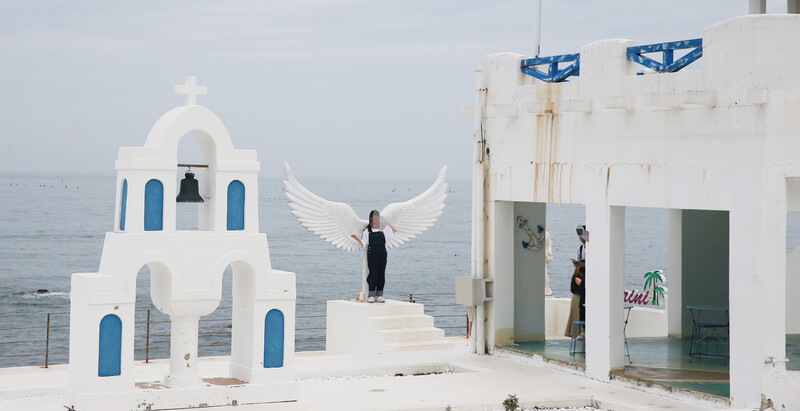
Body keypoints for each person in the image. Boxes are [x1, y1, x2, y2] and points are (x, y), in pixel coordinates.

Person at [351, 210, 397, 303]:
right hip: (372, 252)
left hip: (382, 252)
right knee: (373, 274)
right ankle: (371, 295)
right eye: (375, 217)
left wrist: (387, 222)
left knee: (381, 274)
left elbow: (394, 231)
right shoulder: (367, 230)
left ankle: (379, 295)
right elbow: (364, 244)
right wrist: (356, 238)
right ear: (371, 218)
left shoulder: (383, 228)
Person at [564, 224, 588, 337]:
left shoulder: (594, 247)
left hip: (590, 277)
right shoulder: (580, 249)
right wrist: (577, 264)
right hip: (583, 275)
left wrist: (583, 264)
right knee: (582, 306)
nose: (581, 238)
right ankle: (583, 330)